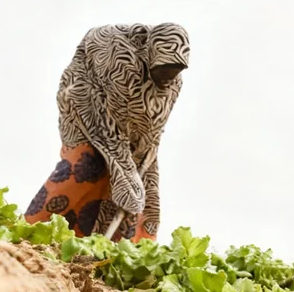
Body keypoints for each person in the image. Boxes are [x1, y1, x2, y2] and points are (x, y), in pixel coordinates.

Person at [24, 22, 190, 242]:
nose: (168, 77)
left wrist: (140, 165)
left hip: (133, 134)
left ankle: (104, 248)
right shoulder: (120, 57)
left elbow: (154, 129)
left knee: (144, 188)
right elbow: (107, 123)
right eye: (163, 68)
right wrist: (125, 175)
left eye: (175, 70)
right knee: (87, 164)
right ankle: (33, 231)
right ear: (148, 51)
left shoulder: (173, 82)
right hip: (87, 106)